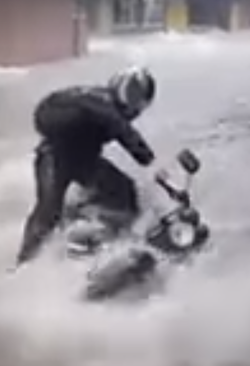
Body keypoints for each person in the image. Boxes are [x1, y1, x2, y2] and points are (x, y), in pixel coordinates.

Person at [16, 66, 157, 265]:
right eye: (131, 94)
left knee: (125, 190)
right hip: (54, 158)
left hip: (85, 161)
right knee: (48, 211)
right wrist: (149, 160)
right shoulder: (96, 100)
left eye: (137, 100)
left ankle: (114, 240)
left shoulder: (109, 111)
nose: (132, 105)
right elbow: (120, 128)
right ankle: (24, 264)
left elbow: (119, 127)